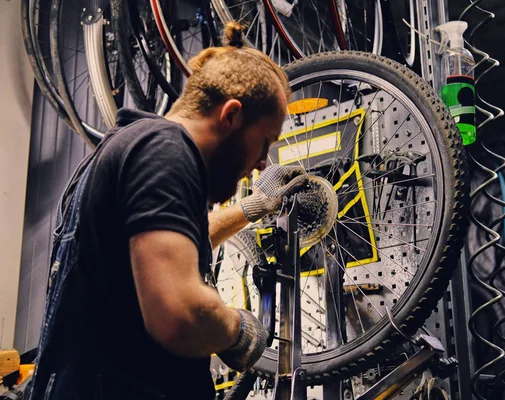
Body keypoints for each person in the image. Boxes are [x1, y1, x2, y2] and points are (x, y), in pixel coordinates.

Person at [27, 22, 308, 400]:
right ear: (231, 116)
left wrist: (251, 207)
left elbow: (168, 243)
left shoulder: (132, 149)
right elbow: (180, 314)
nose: (262, 162)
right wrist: (237, 329)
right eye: (264, 142)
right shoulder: (166, 150)